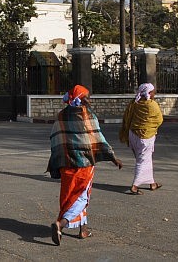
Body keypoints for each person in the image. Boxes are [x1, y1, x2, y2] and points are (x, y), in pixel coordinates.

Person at [47, 84, 123, 245]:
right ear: (79, 99)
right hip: (84, 163)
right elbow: (98, 138)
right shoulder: (88, 115)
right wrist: (113, 157)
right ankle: (61, 223)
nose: (89, 99)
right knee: (80, 197)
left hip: (66, 162)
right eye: (86, 97)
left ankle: (83, 230)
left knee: (70, 195)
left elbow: (55, 139)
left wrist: (56, 161)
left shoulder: (61, 115)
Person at [119, 82, 164, 195]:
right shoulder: (152, 105)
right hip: (145, 137)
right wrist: (151, 127)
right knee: (142, 160)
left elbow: (127, 117)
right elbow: (159, 120)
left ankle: (152, 183)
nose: (154, 93)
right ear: (148, 93)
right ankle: (135, 186)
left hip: (133, 134)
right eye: (153, 91)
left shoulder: (134, 103)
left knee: (146, 159)